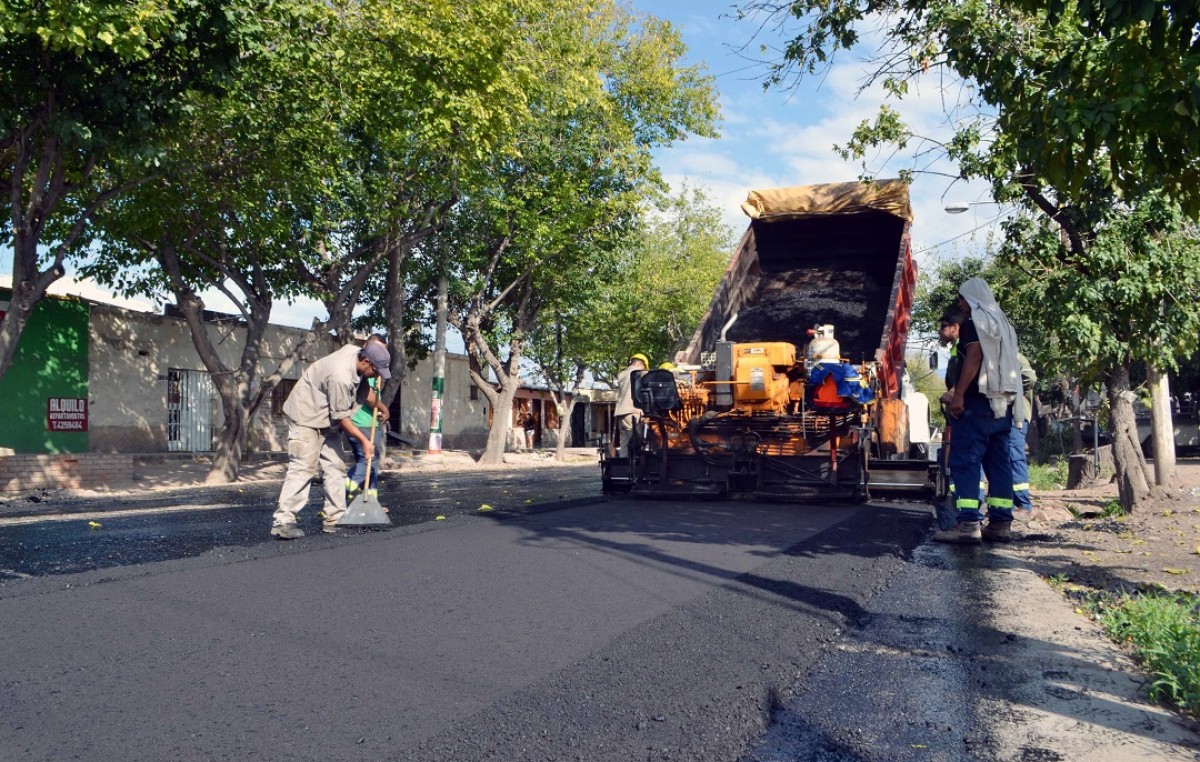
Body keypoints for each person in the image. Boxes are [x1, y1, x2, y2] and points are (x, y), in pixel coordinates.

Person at [270, 340, 391, 539]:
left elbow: (364, 390)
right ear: (366, 361)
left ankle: (335, 517)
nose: (377, 376)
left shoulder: (356, 354)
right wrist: (364, 440)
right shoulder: (340, 377)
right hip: (306, 417)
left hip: (326, 419)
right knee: (303, 467)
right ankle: (284, 522)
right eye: (376, 371)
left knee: (335, 466)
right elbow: (342, 417)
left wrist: (383, 406)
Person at [935, 278, 1022, 544]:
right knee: (998, 465)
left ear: (971, 299)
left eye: (961, 299)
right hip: (1002, 407)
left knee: (966, 462)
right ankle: (1000, 523)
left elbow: (975, 357)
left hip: (977, 406)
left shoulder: (975, 323)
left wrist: (959, 394)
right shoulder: (1003, 324)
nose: (960, 305)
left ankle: (968, 524)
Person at [345, 334, 391, 500]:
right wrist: (384, 410)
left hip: (366, 422)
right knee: (370, 460)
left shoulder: (374, 370)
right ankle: (346, 485)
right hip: (362, 423)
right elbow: (369, 397)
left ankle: (369, 500)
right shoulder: (365, 371)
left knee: (369, 462)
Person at [614, 353, 648, 457]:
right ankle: (636, 470)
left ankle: (622, 468)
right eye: (643, 367)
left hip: (621, 413)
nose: (644, 370)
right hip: (633, 412)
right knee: (637, 443)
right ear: (639, 364)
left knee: (624, 443)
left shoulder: (621, 374)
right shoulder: (638, 373)